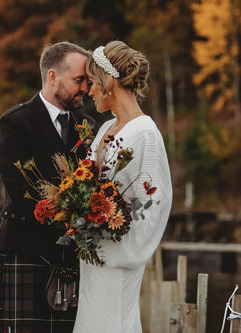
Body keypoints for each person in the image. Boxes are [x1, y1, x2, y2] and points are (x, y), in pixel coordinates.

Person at [0, 42, 98, 333]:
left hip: (71, 255)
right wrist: (70, 225)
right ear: (52, 77)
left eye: (87, 81)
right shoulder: (15, 122)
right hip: (26, 248)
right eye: (78, 80)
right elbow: (23, 191)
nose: (85, 87)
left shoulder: (88, 126)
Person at [72, 41, 172, 333]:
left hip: (117, 259)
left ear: (109, 81)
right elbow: (87, 184)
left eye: (93, 83)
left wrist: (117, 242)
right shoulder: (105, 128)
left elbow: (155, 202)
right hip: (92, 258)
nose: (89, 92)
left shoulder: (146, 134)